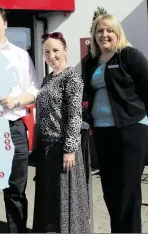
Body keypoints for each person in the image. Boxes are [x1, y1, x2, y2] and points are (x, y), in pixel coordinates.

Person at [84, 14, 148, 233]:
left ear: (117, 33)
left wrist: (140, 113)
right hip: (103, 133)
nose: (104, 35)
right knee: (110, 193)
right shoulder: (91, 62)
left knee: (128, 194)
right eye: (99, 31)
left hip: (130, 131)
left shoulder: (128, 55)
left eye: (109, 30)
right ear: (94, 36)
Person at [0, 4, 39, 233]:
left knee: (16, 190)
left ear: (5, 25)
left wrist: (17, 101)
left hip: (15, 129)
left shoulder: (20, 55)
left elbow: (34, 89)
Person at [32, 32, 90, 233]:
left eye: (55, 50)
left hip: (62, 147)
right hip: (47, 147)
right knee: (50, 199)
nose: (51, 55)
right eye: (46, 52)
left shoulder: (71, 77)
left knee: (65, 199)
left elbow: (75, 116)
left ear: (65, 50)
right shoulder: (48, 78)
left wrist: (69, 149)